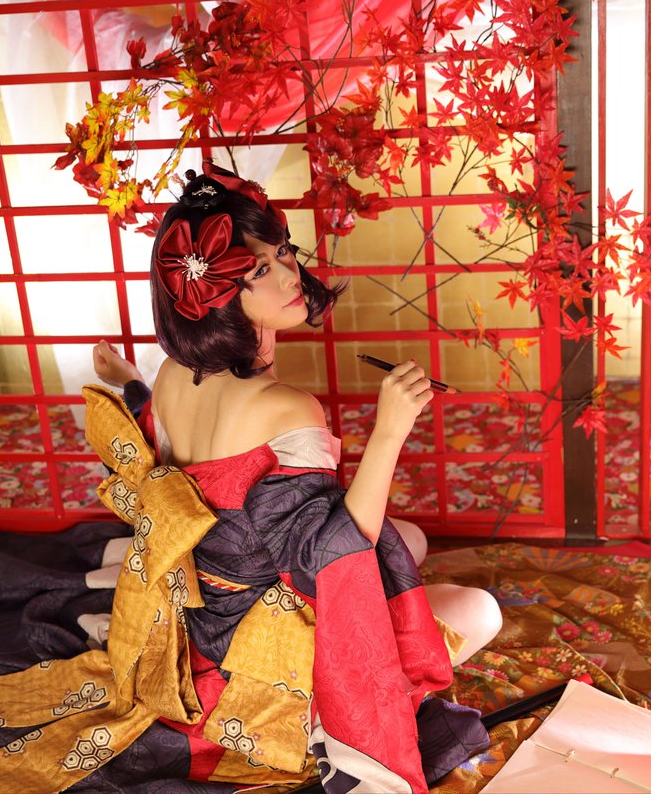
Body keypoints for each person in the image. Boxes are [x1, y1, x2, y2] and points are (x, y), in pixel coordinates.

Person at [83, 162, 502, 790]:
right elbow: (330, 553)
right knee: (480, 611)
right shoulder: (286, 409)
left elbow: (153, 433)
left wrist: (128, 381)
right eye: (258, 270)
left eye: (282, 252)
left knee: (410, 539)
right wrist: (389, 431)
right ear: (213, 293)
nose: (288, 276)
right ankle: (320, 723)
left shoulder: (170, 373)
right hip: (263, 662)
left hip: (204, 620)